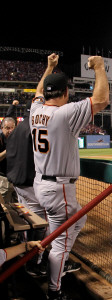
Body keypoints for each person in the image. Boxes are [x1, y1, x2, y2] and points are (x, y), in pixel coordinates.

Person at [30, 53, 109, 300]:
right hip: (58, 188)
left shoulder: (35, 109)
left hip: (41, 183)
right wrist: (99, 67)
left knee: (77, 220)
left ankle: (46, 261)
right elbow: (101, 99)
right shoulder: (65, 114)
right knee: (61, 244)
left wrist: (50, 67)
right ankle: (54, 291)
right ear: (65, 92)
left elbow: (38, 90)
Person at [6, 99, 49, 277]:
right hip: (28, 184)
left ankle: (26, 253)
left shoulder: (17, 130)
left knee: (27, 220)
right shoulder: (32, 128)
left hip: (17, 184)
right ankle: (35, 262)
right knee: (42, 224)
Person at [0, 100, 19, 203]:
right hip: (2, 179)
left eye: (12, 128)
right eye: (7, 128)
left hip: (15, 179)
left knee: (19, 208)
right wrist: (8, 150)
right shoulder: (0, 138)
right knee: (5, 207)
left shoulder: (14, 137)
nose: (10, 130)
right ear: (2, 128)